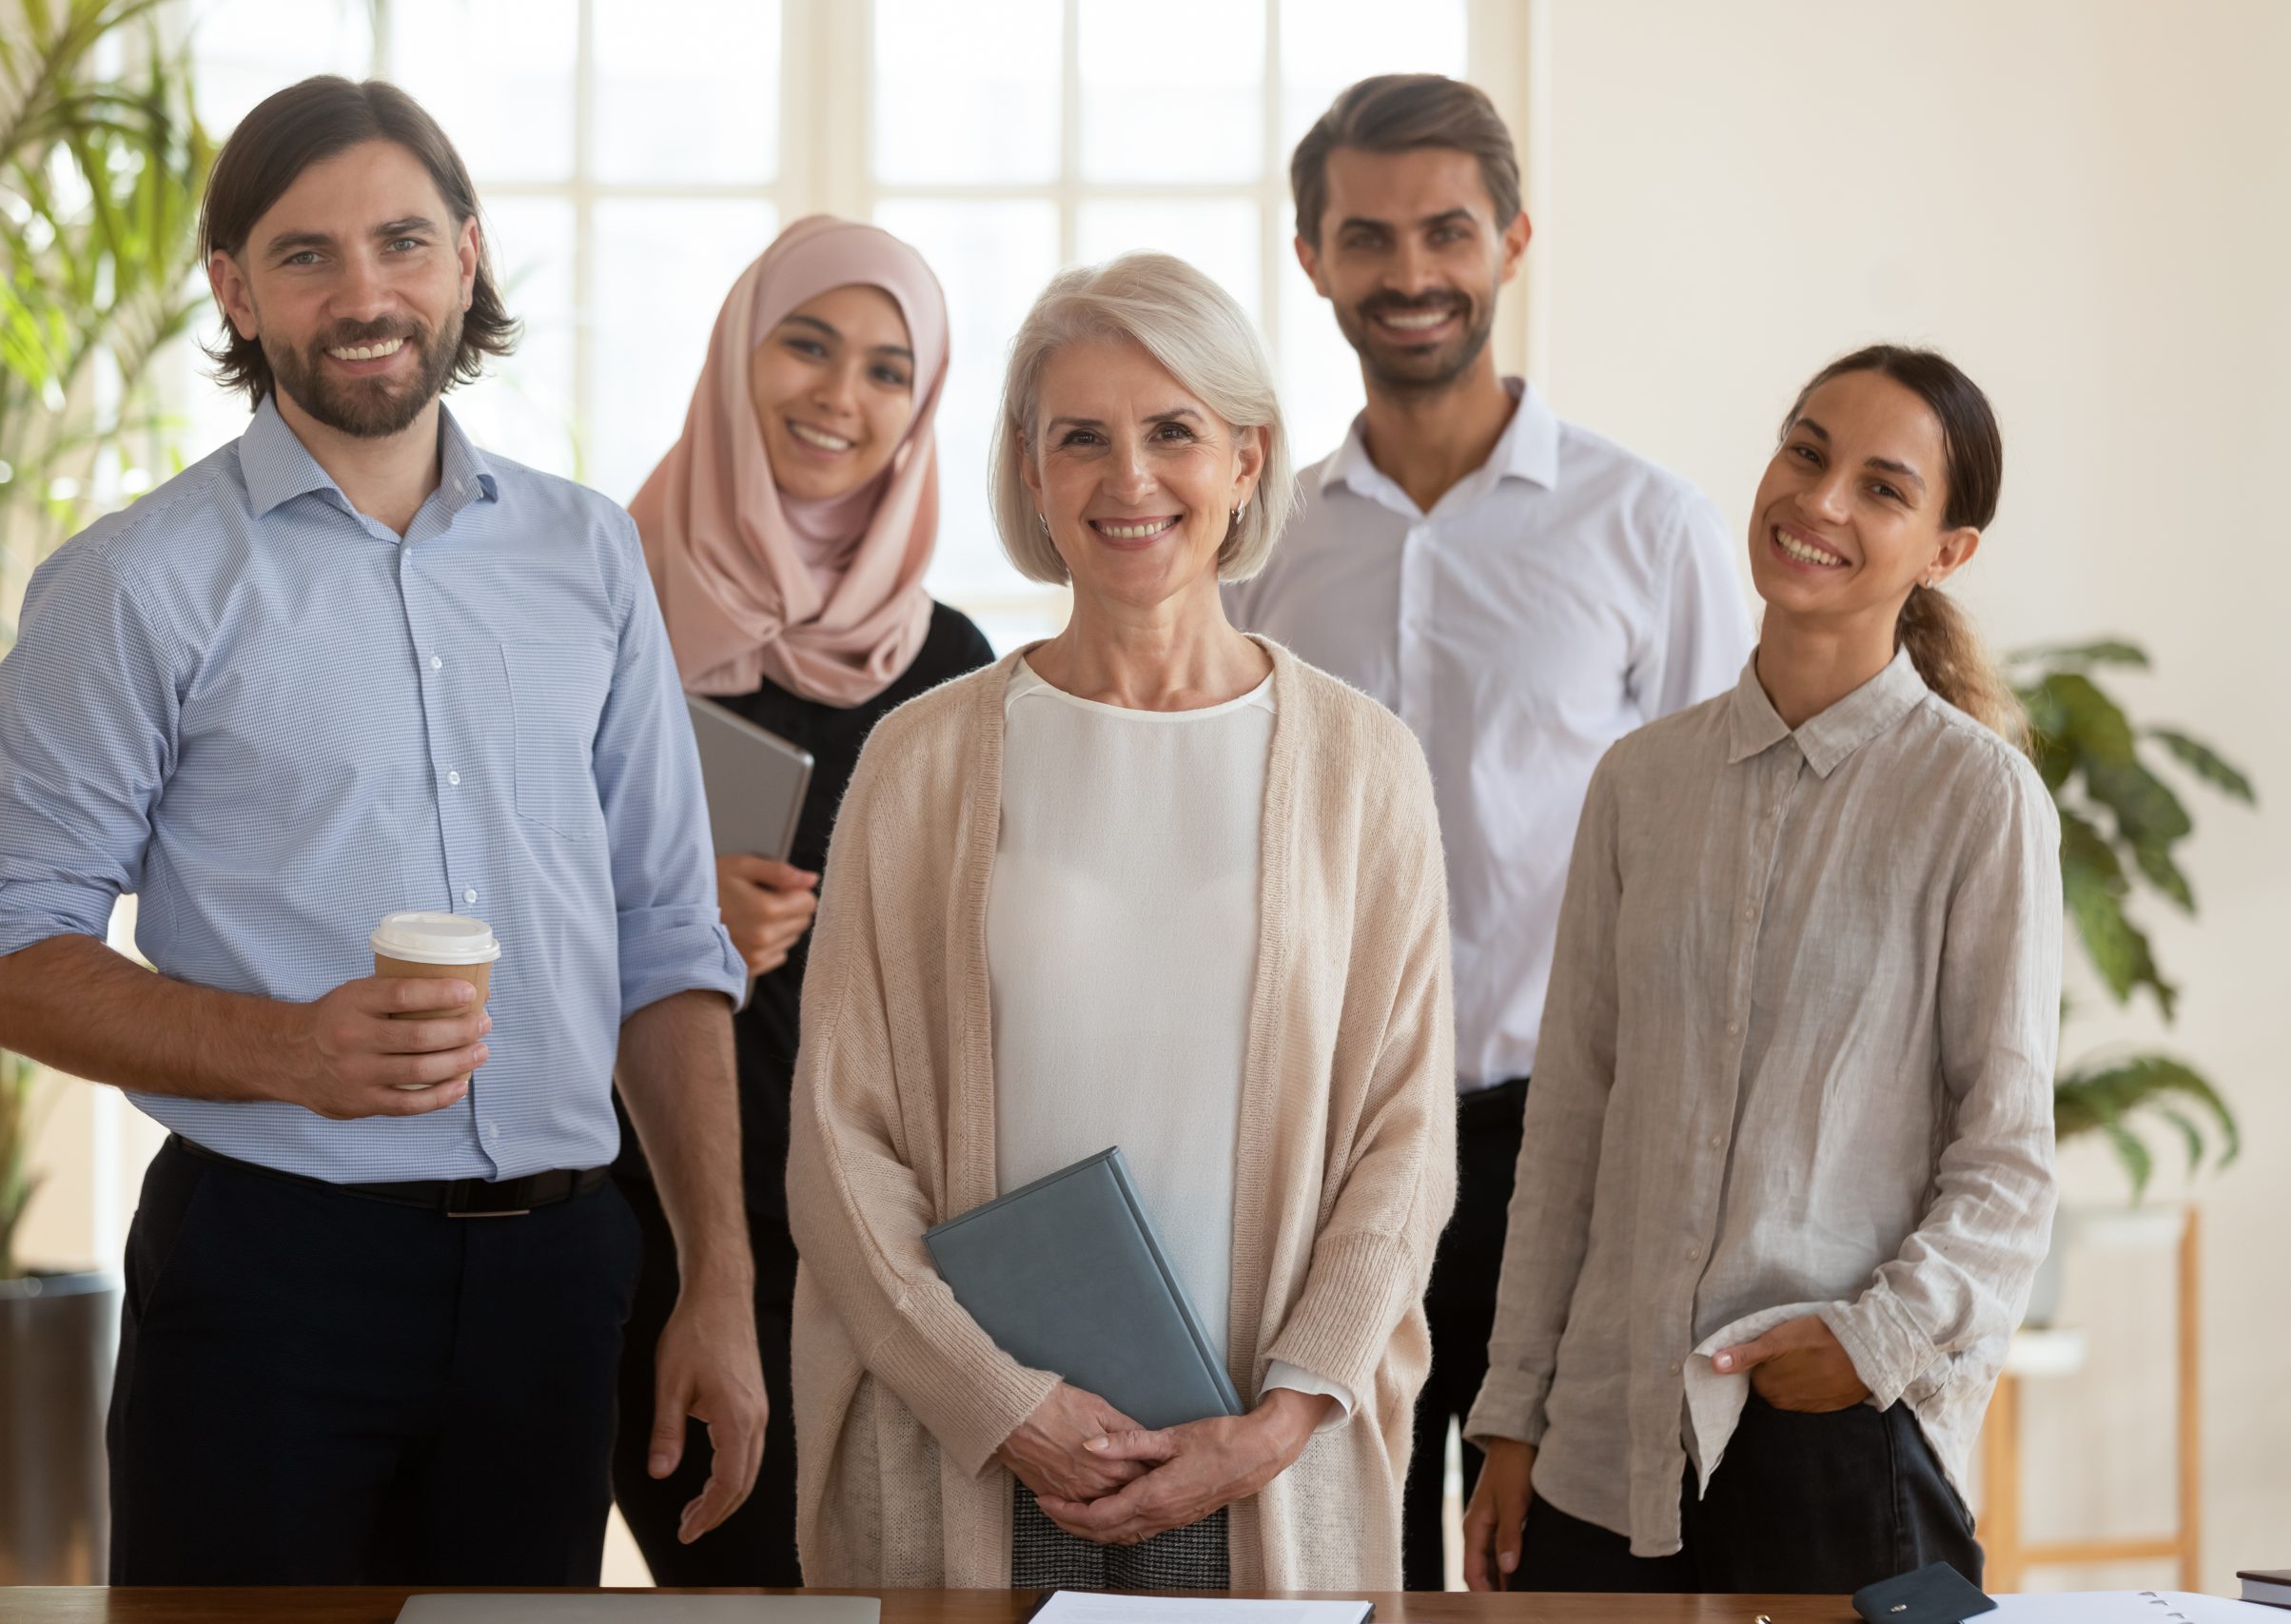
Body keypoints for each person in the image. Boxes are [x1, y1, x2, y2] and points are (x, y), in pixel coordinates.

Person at [0, 76, 763, 1586]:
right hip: (270, 1276)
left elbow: (664, 930)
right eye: (306, 255)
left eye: (401, 242)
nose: (366, 292)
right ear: (235, 294)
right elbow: (5, 951)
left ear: (468, 257)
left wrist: (716, 1278)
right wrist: (289, 1051)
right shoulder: (138, 581)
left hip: (557, 1279)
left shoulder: (589, 554)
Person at [784, 252, 1457, 1590]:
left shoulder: (1362, 766)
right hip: (977, 1448)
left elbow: (1406, 1135)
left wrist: (1281, 1419)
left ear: (1249, 460)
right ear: (1031, 471)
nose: (1128, 479)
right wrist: (1002, 1405)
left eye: (1173, 434)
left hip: (1262, 1463)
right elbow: (836, 1139)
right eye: (1079, 438)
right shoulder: (922, 760)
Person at [1222, 72, 1757, 1587]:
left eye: (1445, 231)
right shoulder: (1265, 545)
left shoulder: (1646, 528)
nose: (1409, 274)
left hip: (1565, 1142)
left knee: (1558, 1567)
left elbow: (1720, 859)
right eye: (1367, 237)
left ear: (1514, 241)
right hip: (1324, 1144)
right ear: (1313, 255)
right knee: (1345, 1549)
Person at [1461, 345, 2062, 1595]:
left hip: (1840, 1444)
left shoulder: (1977, 799)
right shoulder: (1640, 783)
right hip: (1599, 1458)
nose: (1822, 502)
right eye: (1806, 451)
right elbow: (1568, 1129)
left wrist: (1869, 1341)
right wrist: (1513, 1414)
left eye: (1883, 489)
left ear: (1946, 551)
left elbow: (2006, 1166)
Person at [610, 215, 993, 1583]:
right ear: (737, 353)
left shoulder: (944, 657)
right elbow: (482, 881)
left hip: (876, 1229)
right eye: (808, 346)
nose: (841, 397)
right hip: (638, 1203)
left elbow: (978, 954)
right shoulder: (606, 599)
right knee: (731, 1587)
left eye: (889, 370)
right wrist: (655, 908)